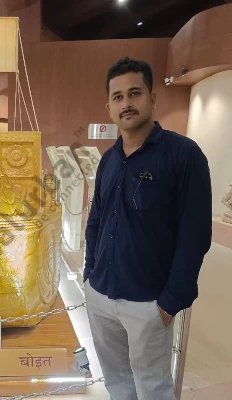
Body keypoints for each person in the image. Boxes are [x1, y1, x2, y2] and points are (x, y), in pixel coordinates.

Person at [84, 57, 212, 400]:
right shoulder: (109, 160)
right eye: (117, 97)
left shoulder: (183, 155)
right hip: (101, 295)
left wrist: (169, 303)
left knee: (152, 387)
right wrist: (89, 276)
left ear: (152, 98)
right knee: (117, 383)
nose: (126, 103)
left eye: (134, 93)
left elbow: (195, 235)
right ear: (109, 107)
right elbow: (96, 221)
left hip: (148, 302)